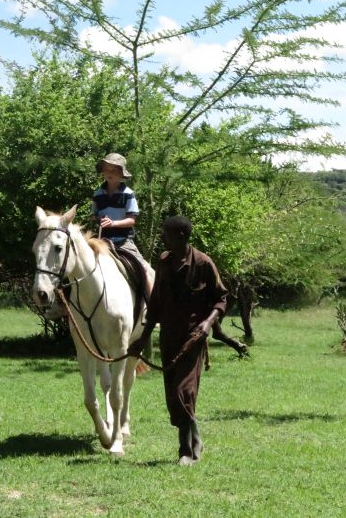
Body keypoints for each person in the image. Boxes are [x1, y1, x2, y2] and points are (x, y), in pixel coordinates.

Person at [127, 215, 228, 465]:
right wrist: (143, 338)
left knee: (185, 392)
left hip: (193, 339)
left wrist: (207, 324)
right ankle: (195, 437)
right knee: (173, 397)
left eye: (167, 234)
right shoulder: (163, 262)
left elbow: (222, 299)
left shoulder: (204, 263)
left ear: (182, 236)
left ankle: (186, 451)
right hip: (169, 338)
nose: (163, 237)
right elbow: (157, 302)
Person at [91, 152, 149, 271]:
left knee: (143, 268)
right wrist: (98, 219)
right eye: (107, 169)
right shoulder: (97, 194)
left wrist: (113, 223)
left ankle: (151, 290)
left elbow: (131, 220)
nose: (109, 173)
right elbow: (93, 216)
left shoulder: (128, 194)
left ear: (121, 173)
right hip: (102, 241)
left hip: (123, 242)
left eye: (114, 170)